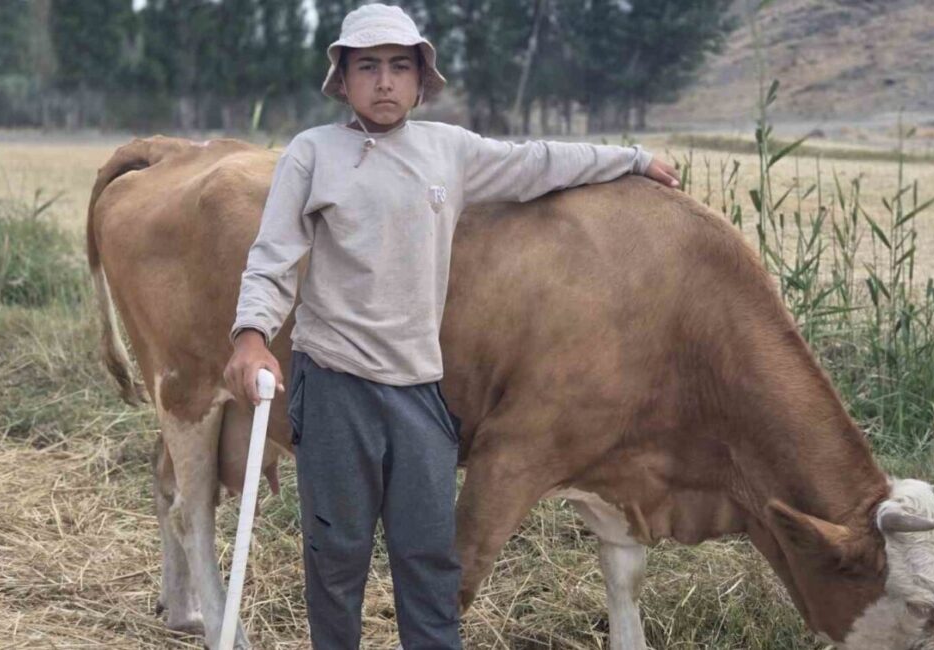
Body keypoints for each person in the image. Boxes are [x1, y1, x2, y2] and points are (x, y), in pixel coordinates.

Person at [223, 4, 681, 649]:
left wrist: (630, 159)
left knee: (429, 558)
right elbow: (273, 254)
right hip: (334, 387)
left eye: (399, 67)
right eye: (369, 67)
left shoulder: (450, 150)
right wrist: (250, 336)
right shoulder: (313, 153)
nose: (385, 82)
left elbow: (540, 161)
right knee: (338, 554)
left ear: (420, 78)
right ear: (344, 79)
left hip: (418, 390)